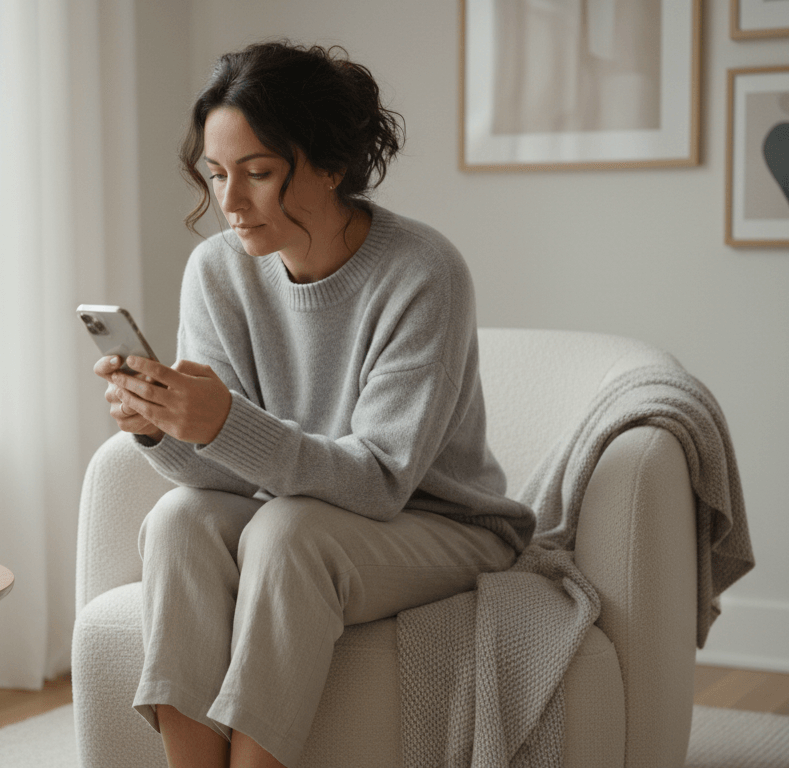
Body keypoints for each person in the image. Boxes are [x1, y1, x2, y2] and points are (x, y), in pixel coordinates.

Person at [94, 40, 535, 768]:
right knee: (179, 519)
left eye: (259, 174)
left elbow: (383, 481)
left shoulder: (422, 271)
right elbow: (230, 475)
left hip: (440, 522)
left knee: (289, 534)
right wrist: (164, 428)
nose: (230, 203)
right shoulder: (216, 272)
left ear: (332, 165)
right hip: (291, 506)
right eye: (217, 175)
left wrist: (224, 423)